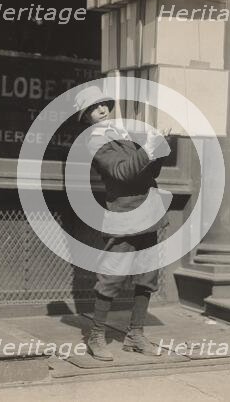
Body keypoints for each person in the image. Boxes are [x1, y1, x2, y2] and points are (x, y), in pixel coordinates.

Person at [73, 86, 171, 361]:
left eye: (104, 104)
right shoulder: (94, 141)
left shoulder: (122, 135)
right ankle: (95, 335)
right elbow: (122, 173)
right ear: (87, 117)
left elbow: (147, 172)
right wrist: (148, 150)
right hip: (123, 215)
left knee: (147, 277)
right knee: (111, 277)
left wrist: (160, 150)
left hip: (148, 213)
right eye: (94, 108)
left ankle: (135, 335)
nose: (102, 110)